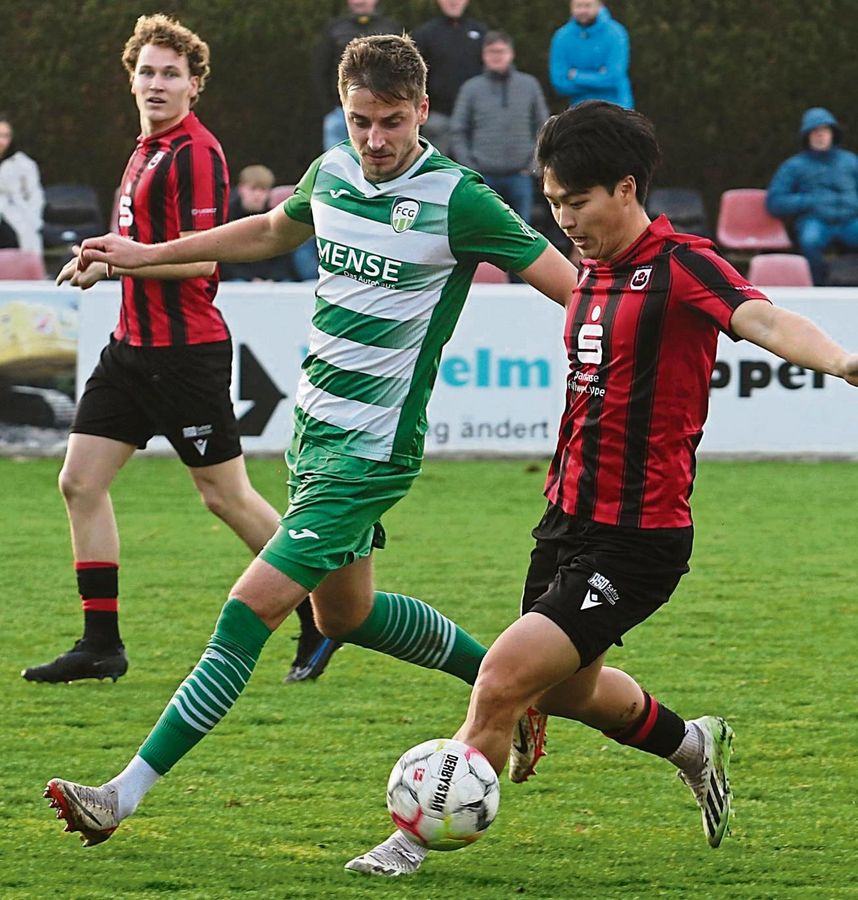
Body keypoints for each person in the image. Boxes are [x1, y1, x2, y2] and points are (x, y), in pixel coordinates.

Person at [41, 33, 577, 849]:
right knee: (349, 615)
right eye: (361, 121)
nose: (375, 140)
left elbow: (571, 286)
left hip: (368, 457)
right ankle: (508, 687)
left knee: (246, 610)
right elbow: (265, 234)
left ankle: (122, 794)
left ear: (423, 112)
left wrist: (631, 349)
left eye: (392, 122)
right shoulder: (332, 173)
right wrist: (144, 258)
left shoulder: (458, 199)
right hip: (313, 439)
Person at [348, 100, 858, 876]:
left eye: (576, 203)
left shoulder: (682, 265)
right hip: (564, 519)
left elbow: (766, 321)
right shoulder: (588, 271)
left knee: (502, 679)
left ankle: (412, 839)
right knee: (560, 692)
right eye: (553, 204)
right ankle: (695, 744)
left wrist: (845, 363)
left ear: (625, 188)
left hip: (638, 536)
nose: (565, 221)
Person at [22, 14, 337, 687]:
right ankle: (100, 644)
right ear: (131, 80)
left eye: (171, 74)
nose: (157, 84)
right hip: (130, 350)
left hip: (184, 353)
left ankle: (320, 612)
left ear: (195, 85)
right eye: (147, 72)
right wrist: (102, 266)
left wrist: (123, 262)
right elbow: (138, 252)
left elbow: (198, 265)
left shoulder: (196, 155)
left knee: (226, 497)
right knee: (79, 481)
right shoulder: (144, 150)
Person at [449, 30, 549, 226]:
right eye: (491, 52)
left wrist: (532, 165)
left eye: (501, 51)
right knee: (482, 229)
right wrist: (470, 167)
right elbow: (458, 130)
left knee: (524, 233)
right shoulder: (471, 88)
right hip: (484, 176)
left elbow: (543, 126)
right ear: (484, 55)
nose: (497, 56)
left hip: (520, 175)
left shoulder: (529, 85)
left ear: (511, 54)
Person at [766, 107, 858, 286]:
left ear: (833, 133)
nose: (820, 135)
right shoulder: (794, 166)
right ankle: (817, 288)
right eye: (815, 131)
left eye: (825, 130)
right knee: (810, 241)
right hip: (816, 220)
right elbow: (775, 202)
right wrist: (809, 201)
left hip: (851, 220)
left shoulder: (851, 161)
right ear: (807, 136)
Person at [315, 0, 400, 151]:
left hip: (382, 110)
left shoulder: (391, 28)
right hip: (340, 112)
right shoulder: (334, 29)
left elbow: (402, 71)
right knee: (336, 167)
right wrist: (329, 108)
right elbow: (321, 70)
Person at [413, 0, 487, 155]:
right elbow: (415, 77)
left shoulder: (480, 32)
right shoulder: (425, 34)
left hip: (473, 120)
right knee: (436, 171)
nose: (453, 2)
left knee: (471, 173)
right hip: (438, 117)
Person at [549, 0, 633, 109]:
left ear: (599, 6)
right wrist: (599, 76)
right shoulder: (561, 37)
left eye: (588, 5)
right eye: (578, 6)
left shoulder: (616, 33)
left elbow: (614, 77)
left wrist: (576, 76)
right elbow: (560, 83)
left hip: (617, 107)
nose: (583, 10)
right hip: (579, 110)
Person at [0, 113, 45, 253]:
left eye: (6, 136)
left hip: (17, 219)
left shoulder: (23, 164)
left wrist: (33, 221)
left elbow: (35, 195)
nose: (1, 140)